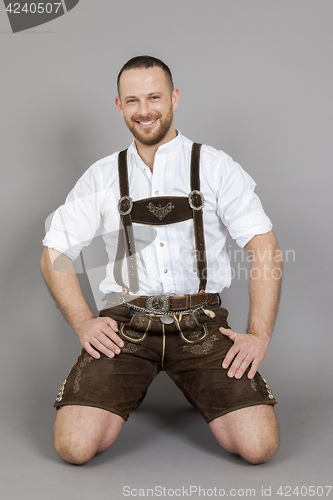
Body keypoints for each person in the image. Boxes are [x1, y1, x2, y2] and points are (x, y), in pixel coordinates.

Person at [40, 55, 282, 466]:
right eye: (132, 100)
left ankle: (201, 384)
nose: (145, 110)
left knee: (258, 447)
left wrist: (258, 335)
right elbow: (54, 254)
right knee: (74, 448)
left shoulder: (215, 167)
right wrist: (84, 322)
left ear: (174, 98)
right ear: (119, 106)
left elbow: (265, 249)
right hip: (126, 327)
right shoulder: (102, 176)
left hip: (201, 325)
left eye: (154, 97)